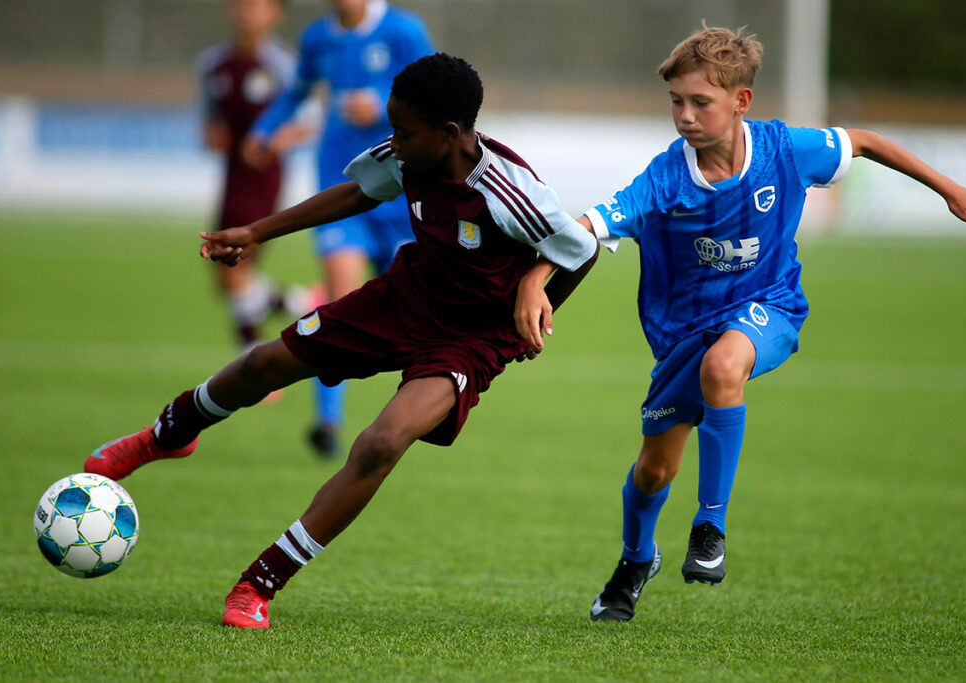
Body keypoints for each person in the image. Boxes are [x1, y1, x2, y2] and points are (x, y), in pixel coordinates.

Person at [86, 53, 599, 629]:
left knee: (381, 443)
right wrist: (256, 232)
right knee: (263, 364)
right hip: (403, 300)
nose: (394, 143)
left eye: (404, 132)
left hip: (468, 341)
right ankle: (166, 435)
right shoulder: (411, 153)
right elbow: (358, 193)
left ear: (450, 133)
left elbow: (581, 251)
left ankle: (259, 584)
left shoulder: (507, 191)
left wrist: (534, 303)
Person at [583, 25, 966, 622]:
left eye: (700, 102)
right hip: (682, 333)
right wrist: (534, 277)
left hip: (770, 306)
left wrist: (950, 190)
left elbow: (865, 142)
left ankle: (709, 528)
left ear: (741, 101)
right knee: (654, 470)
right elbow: (591, 225)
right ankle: (635, 559)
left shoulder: (784, 150)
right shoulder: (666, 177)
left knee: (724, 365)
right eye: (676, 101)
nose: (685, 115)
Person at [244, 0, 435, 457]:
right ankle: (327, 421)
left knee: (419, 309)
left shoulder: (404, 30)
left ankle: (418, 415)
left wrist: (383, 104)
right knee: (339, 301)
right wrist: (264, 130)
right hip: (341, 187)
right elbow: (297, 91)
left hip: (402, 190)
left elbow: (437, 96)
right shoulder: (318, 37)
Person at [196, 0, 313, 353]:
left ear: (276, 13)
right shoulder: (212, 64)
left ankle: (250, 360)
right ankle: (301, 303)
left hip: (265, 177)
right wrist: (212, 136)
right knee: (226, 275)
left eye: (257, 5)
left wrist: (271, 142)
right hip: (231, 176)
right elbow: (208, 122)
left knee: (233, 267)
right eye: (241, 4)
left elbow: (308, 123)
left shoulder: (284, 65)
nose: (248, 11)